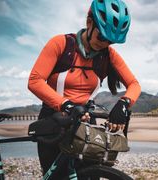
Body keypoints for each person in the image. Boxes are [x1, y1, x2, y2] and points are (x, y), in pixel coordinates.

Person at [28, 0, 141, 178]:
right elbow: (35, 80)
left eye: (110, 41)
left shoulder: (108, 55)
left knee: (90, 175)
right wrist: (66, 105)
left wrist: (123, 104)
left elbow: (134, 84)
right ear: (89, 23)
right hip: (54, 120)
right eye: (102, 37)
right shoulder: (61, 44)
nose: (104, 44)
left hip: (86, 120)